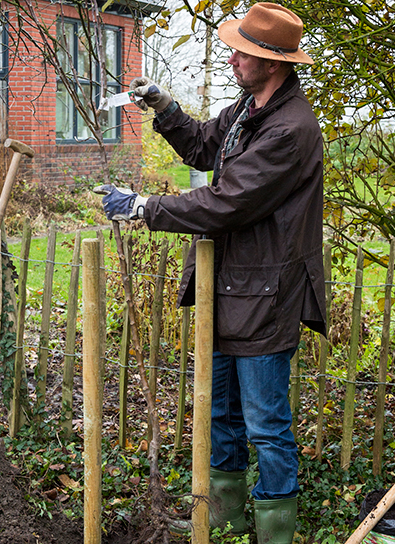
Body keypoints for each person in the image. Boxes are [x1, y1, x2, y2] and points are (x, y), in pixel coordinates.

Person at [95, 3, 326, 543]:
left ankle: (274, 530)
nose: (231, 57)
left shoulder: (290, 130)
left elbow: (228, 201)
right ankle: (225, 513)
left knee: (266, 425)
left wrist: (145, 208)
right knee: (221, 411)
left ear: (272, 62)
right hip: (227, 285)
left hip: (267, 293)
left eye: (242, 52)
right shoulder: (249, 108)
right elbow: (205, 146)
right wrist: (166, 108)